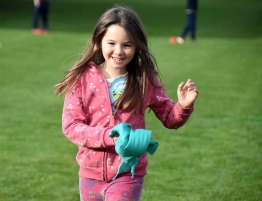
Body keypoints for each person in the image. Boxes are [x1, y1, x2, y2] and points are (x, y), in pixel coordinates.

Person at [55, 5, 198, 201]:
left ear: (137, 46)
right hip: (90, 174)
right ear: (99, 42)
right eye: (111, 43)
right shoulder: (82, 78)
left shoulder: (145, 79)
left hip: (128, 174)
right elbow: (71, 126)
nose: (119, 51)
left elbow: (170, 119)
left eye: (127, 45)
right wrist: (108, 136)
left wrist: (183, 106)